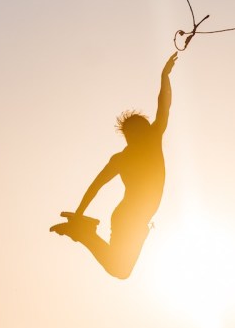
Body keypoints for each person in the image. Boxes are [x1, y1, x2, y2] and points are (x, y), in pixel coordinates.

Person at [51, 52, 178, 279]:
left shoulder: (128, 154)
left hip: (132, 216)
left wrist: (164, 76)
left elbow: (95, 187)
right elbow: (163, 106)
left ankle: (82, 231)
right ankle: (82, 232)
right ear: (137, 133)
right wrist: (164, 75)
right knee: (120, 270)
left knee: (120, 269)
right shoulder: (149, 143)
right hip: (132, 217)